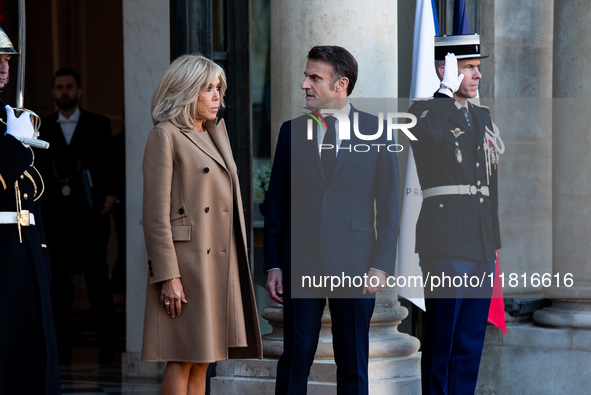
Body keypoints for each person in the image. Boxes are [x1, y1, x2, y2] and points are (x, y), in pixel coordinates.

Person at [264, 46, 399, 394]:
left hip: (355, 262)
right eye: (306, 75)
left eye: (314, 78)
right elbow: (276, 202)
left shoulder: (378, 131)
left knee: (353, 359)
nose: (304, 84)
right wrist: (274, 264)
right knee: (296, 354)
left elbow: (389, 205)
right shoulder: (291, 131)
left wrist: (382, 264)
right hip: (301, 260)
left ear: (341, 84)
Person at [141, 54, 263, 394]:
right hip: (187, 266)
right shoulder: (164, 136)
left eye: (218, 88)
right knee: (182, 359)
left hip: (219, 265)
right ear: (183, 92)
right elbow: (154, 214)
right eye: (207, 89)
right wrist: (168, 276)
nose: (217, 97)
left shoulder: (213, 134)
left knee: (203, 360)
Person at [407, 34, 503, 395]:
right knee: (443, 338)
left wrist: (493, 243)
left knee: (469, 342)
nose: (477, 76)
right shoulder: (425, 111)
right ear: (444, 72)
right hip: (445, 242)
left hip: (479, 244)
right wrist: (444, 91)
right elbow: (428, 133)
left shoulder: (483, 116)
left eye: (478, 68)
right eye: (467, 68)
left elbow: (491, 185)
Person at [37, 67, 118, 364]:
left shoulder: (98, 124)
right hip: (56, 219)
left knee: (98, 284)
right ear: (53, 92)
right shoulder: (40, 127)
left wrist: (110, 197)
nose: (64, 92)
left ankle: (109, 351)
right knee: (58, 289)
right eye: (59, 87)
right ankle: (60, 353)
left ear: (79, 91)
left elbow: (110, 165)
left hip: (91, 217)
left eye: (69, 86)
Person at [0, 28, 61, 394]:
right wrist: (12, 145)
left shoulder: (8, 114)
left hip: (25, 250)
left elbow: (31, 194)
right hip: (2, 251)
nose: (4, 69)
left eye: (6, 61)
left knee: (33, 352)